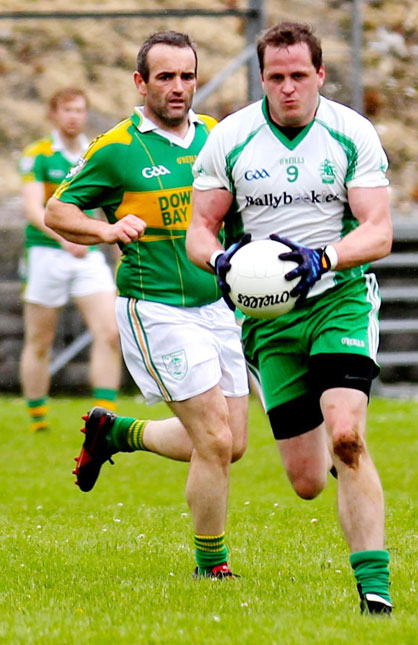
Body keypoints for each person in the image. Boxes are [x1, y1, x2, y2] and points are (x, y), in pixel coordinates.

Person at [186, 22, 394, 613]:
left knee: (347, 436)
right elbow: (199, 231)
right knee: (306, 480)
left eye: (299, 75)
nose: (288, 88)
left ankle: (373, 589)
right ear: (262, 79)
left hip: (339, 297)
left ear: (320, 75)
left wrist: (322, 257)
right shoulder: (229, 139)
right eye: (276, 77)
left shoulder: (352, 133)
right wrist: (222, 261)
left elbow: (378, 231)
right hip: (268, 322)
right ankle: (343, 487)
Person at [45, 31, 249, 578]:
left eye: (187, 76)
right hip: (155, 308)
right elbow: (57, 212)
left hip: (217, 307)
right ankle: (212, 566)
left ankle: (118, 432)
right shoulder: (116, 148)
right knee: (212, 439)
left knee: (233, 445)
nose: (178, 87)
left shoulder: (217, 137)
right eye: (165, 77)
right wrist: (107, 229)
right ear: (141, 83)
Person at [18, 88, 121, 432]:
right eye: (67, 110)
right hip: (47, 253)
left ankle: (104, 419)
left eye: (79, 110)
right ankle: (38, 419)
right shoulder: (39, 155)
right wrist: (64, 237)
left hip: (87, 253)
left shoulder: (96, 151)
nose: (74, 116)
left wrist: (107, 242)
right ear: (54, 114)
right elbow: (34, 208)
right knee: (40, 338)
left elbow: (109, 203)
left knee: (109, 332)